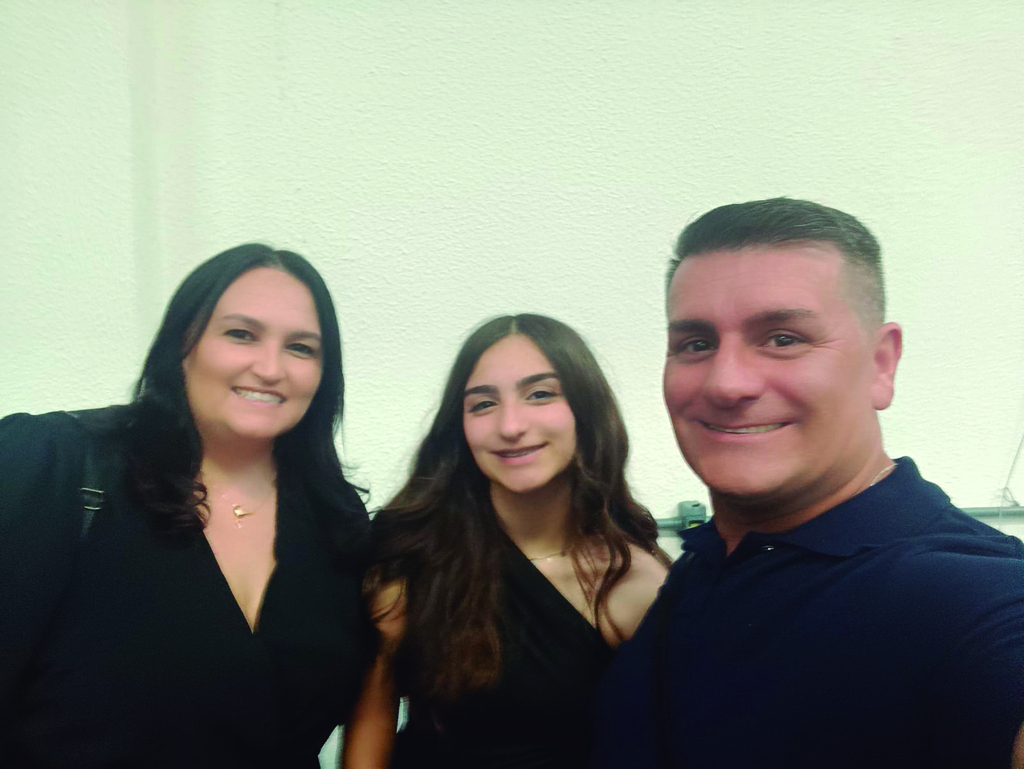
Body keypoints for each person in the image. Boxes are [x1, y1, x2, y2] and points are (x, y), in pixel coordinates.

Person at [591, 198, 1024, 769]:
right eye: (696, 344)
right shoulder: (710, 559)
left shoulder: (966, 597)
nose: (726, 383)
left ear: (881, 363)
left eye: (783, 338)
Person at [0, 244, 371, 768]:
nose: (271, 368)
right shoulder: (57, 463)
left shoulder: (337, 522)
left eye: (301, 348)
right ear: (183, 342)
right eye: (241, 334)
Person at [342, 313, 669, 769]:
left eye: (540, 394)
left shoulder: (636, 582)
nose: (511, 425)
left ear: (586, 410)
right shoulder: (413, 553)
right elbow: (372, 718)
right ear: (460, 426)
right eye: (483, 404)